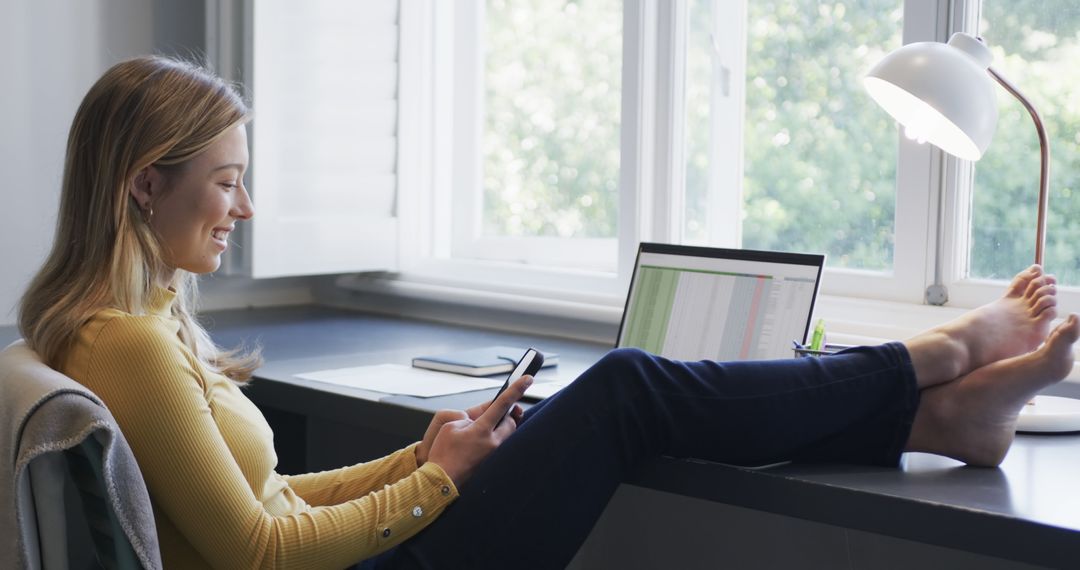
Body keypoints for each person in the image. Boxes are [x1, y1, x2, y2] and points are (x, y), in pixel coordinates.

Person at [17, 55, 1079, 570]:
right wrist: (436, 481)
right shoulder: (128, 344)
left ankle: (933, 417)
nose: (246, 207)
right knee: (626, 388)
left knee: (625, 391)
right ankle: (927, 364)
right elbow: (254, 551)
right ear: (143, 186)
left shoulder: (120, 328)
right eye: (224, 181)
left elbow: (272, 497)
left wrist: (420, 457)